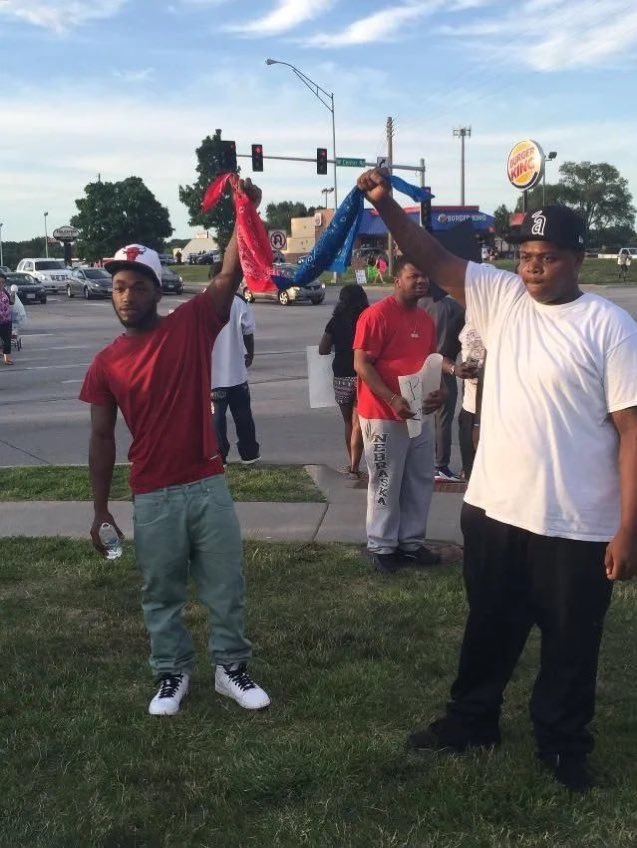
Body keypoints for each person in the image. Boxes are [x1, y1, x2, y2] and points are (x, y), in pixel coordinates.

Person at [357, 168, 637, 792]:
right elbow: (431, 254)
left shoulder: (610, 327)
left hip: (576, 523)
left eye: (549, 258)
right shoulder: (502, 296)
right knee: (488, 627)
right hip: (493, 510)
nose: (534, 268)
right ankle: (472, 719)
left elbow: (631, 432)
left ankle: (563, 746)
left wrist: (627, 529)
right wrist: (389, 204)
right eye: (528, 256)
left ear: (578, 260)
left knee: (570, 646)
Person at [79, 178, 270, 718]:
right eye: (119, 286)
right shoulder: (106, 363)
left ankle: (230, 668)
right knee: (160, 590)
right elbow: (99, 438)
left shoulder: (191, 324)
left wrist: (244, 210)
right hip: (153, 493)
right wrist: (98, 510)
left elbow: (230, 273)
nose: (127, 295)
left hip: (207, 481)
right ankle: (171, 673)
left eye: (138, 286)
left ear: (157, 291)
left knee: (225, 584)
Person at [353, 258, 445, 574]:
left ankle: (410, 544)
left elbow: (431, 362)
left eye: (424, 275)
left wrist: (440, 390)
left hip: (418, 415)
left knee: (419, 480)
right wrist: (392, 398)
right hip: (383, 415)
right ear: (397, 279)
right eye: (413, 274)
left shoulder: (425, 319)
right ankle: (381, 546)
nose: (421, 280)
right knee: (385, 481)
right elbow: (362, 365)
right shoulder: (375, 316)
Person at [318, 283, 369, 481]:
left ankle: (351, 464)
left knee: (348, 422)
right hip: (363, 374)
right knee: (359, 423)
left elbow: (323, 349)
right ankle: (356, 466)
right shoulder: (367, 319)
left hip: (341, 376)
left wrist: (340, 349)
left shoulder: (335, 321)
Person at [418, 278, 465, 481]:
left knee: (418, 417)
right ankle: (440, 465)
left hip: (418, 367)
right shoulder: (454, 307)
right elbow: (463, 339)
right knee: (443, 420)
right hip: (445, 366)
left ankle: (421, 462)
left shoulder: (416, 307)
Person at [211, 277, 260, 466]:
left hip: (213, 377)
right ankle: (249, 454)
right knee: (243, 416)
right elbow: (248, 331)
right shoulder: (238, 302)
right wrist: (250, 354)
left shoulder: (202, 302)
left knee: (216, 419)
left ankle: (219, 456)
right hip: (237, 373)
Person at [456, 318, 485, 480]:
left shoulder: (504, 318)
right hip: (469, 408)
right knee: (471, 476)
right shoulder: (465, 314)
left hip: (494, 413)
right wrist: (457, 368)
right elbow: (443, 352)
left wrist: (478, 424)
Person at [0, 270, 15, 365]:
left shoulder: (5, 291)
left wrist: (13, 292)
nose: (1, 284)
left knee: (7, 341)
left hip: (6, 321)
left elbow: (12, 302)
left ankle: (7, 359)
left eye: (2, 282)